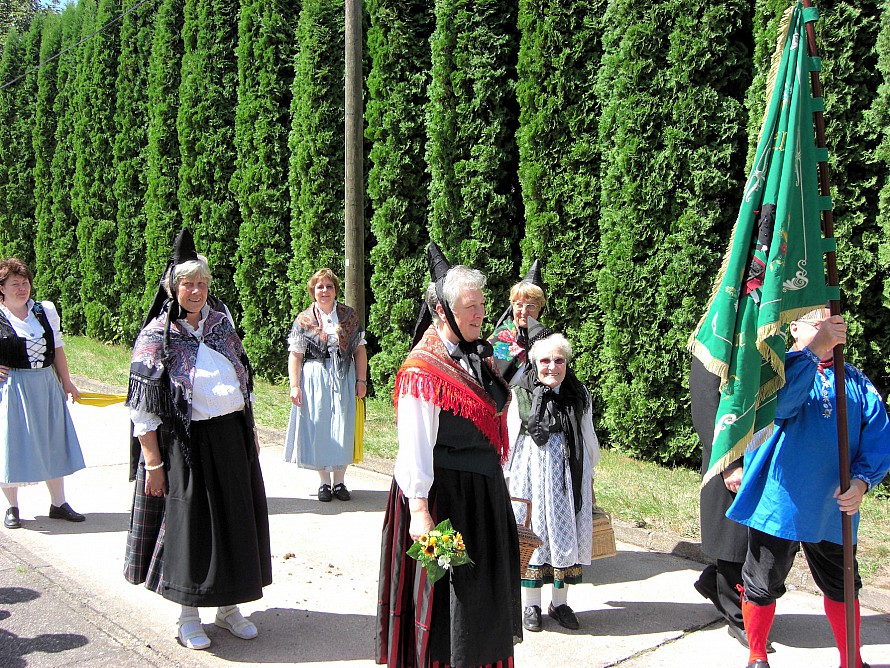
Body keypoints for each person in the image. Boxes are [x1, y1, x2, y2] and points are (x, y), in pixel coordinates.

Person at [123, 230, 272, 651]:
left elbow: (243, 379)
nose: (196, 290)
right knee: (192, 529)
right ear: (172, 287)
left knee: (236, 524)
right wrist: (153, 464)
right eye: (187, 283)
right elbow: (143, 408)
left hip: (232, 438)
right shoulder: (157, 336)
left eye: (202, 283)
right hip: (185, 446)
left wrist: (251, 431)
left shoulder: (221, 324)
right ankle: (188, 615)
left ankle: (228, 608)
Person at [376, 256, 522, 668]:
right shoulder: (422, 370)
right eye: (470, 307)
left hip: (484, 498)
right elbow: (414, 446)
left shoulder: (480, 355)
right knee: (448, 596)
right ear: (443, 311)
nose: (480, 314)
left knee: (483, 598)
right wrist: (419, 511)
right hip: (444, 503)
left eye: (481, 305)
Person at [726, 308, 890, 668]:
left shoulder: (857, 382)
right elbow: (781, 406)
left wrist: (862, 482)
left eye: (834, 323)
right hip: (779, 502)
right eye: (817, 324)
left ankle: (852, 660)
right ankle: (757, 657)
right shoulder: (776, 372)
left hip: (834, 505)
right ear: (795, 328)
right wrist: (814, 350)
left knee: (843, 585)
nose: (829, 329)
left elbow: (879, 437)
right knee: (762, 583)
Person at [505, 332, 600, 632]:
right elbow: (509, 437)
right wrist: (506, 477)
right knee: (531, 532)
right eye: (545, 360)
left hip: (566, 472)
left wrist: (589, 476)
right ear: (535, 362)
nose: (552, 367)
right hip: (529, 471)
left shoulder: (577, 391)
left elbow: (587, 432)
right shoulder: (519, 390)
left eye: (559, 360)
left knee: (564, 530)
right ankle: (530, 605)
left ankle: (560, 603)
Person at [690, 356, 773, 652]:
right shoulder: (716, 345)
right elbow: (705, 408)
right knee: (733, 541)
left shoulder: (765, 341)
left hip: (765, 453)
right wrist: (728, 463)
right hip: (729, 457)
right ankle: (738, 615)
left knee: (769, 543)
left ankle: (715, 583)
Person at [0, 257, 85, 529]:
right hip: (13, 386)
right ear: (1, 288)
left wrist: (67, 381)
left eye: (25, 283)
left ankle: (58, 503)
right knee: (12, 445)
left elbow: (57, 347)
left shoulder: (44, 310)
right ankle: (12, 508)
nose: (22, 288)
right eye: (15, 284)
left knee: (52, 441)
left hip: (46, 383)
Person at [283, 268, 367, 502]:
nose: (324, 291)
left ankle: (339, 482)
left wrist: (361, 380)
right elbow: (296, 355)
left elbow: (360, 351)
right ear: (313, 291)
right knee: (319, 426)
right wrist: (294, 385)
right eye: (320, 287)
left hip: (344, 376)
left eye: (329, 286)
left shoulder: (349, 316)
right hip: (315, 377)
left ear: (335, 290)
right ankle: (323, 483)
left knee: (343, 425)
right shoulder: (304, 319)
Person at [489, 260, 546, 384]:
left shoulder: (544, 340)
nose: (524, 312)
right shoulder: (496, 341)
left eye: (531, 306)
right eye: (519, 305)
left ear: (540, 309)